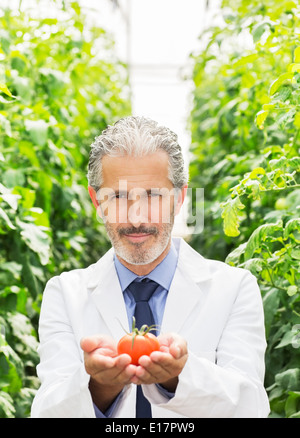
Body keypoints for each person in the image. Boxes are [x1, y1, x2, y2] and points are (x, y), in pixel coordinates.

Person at [31, 116, 270, 418]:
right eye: (117, 196)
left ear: (180, 197)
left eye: (154, 196)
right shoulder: (64, 294)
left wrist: (178, 377)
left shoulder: (235, 289)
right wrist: (98, 386)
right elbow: (46, 412)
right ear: (96, 201)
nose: (136, 219)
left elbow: (251, 408)